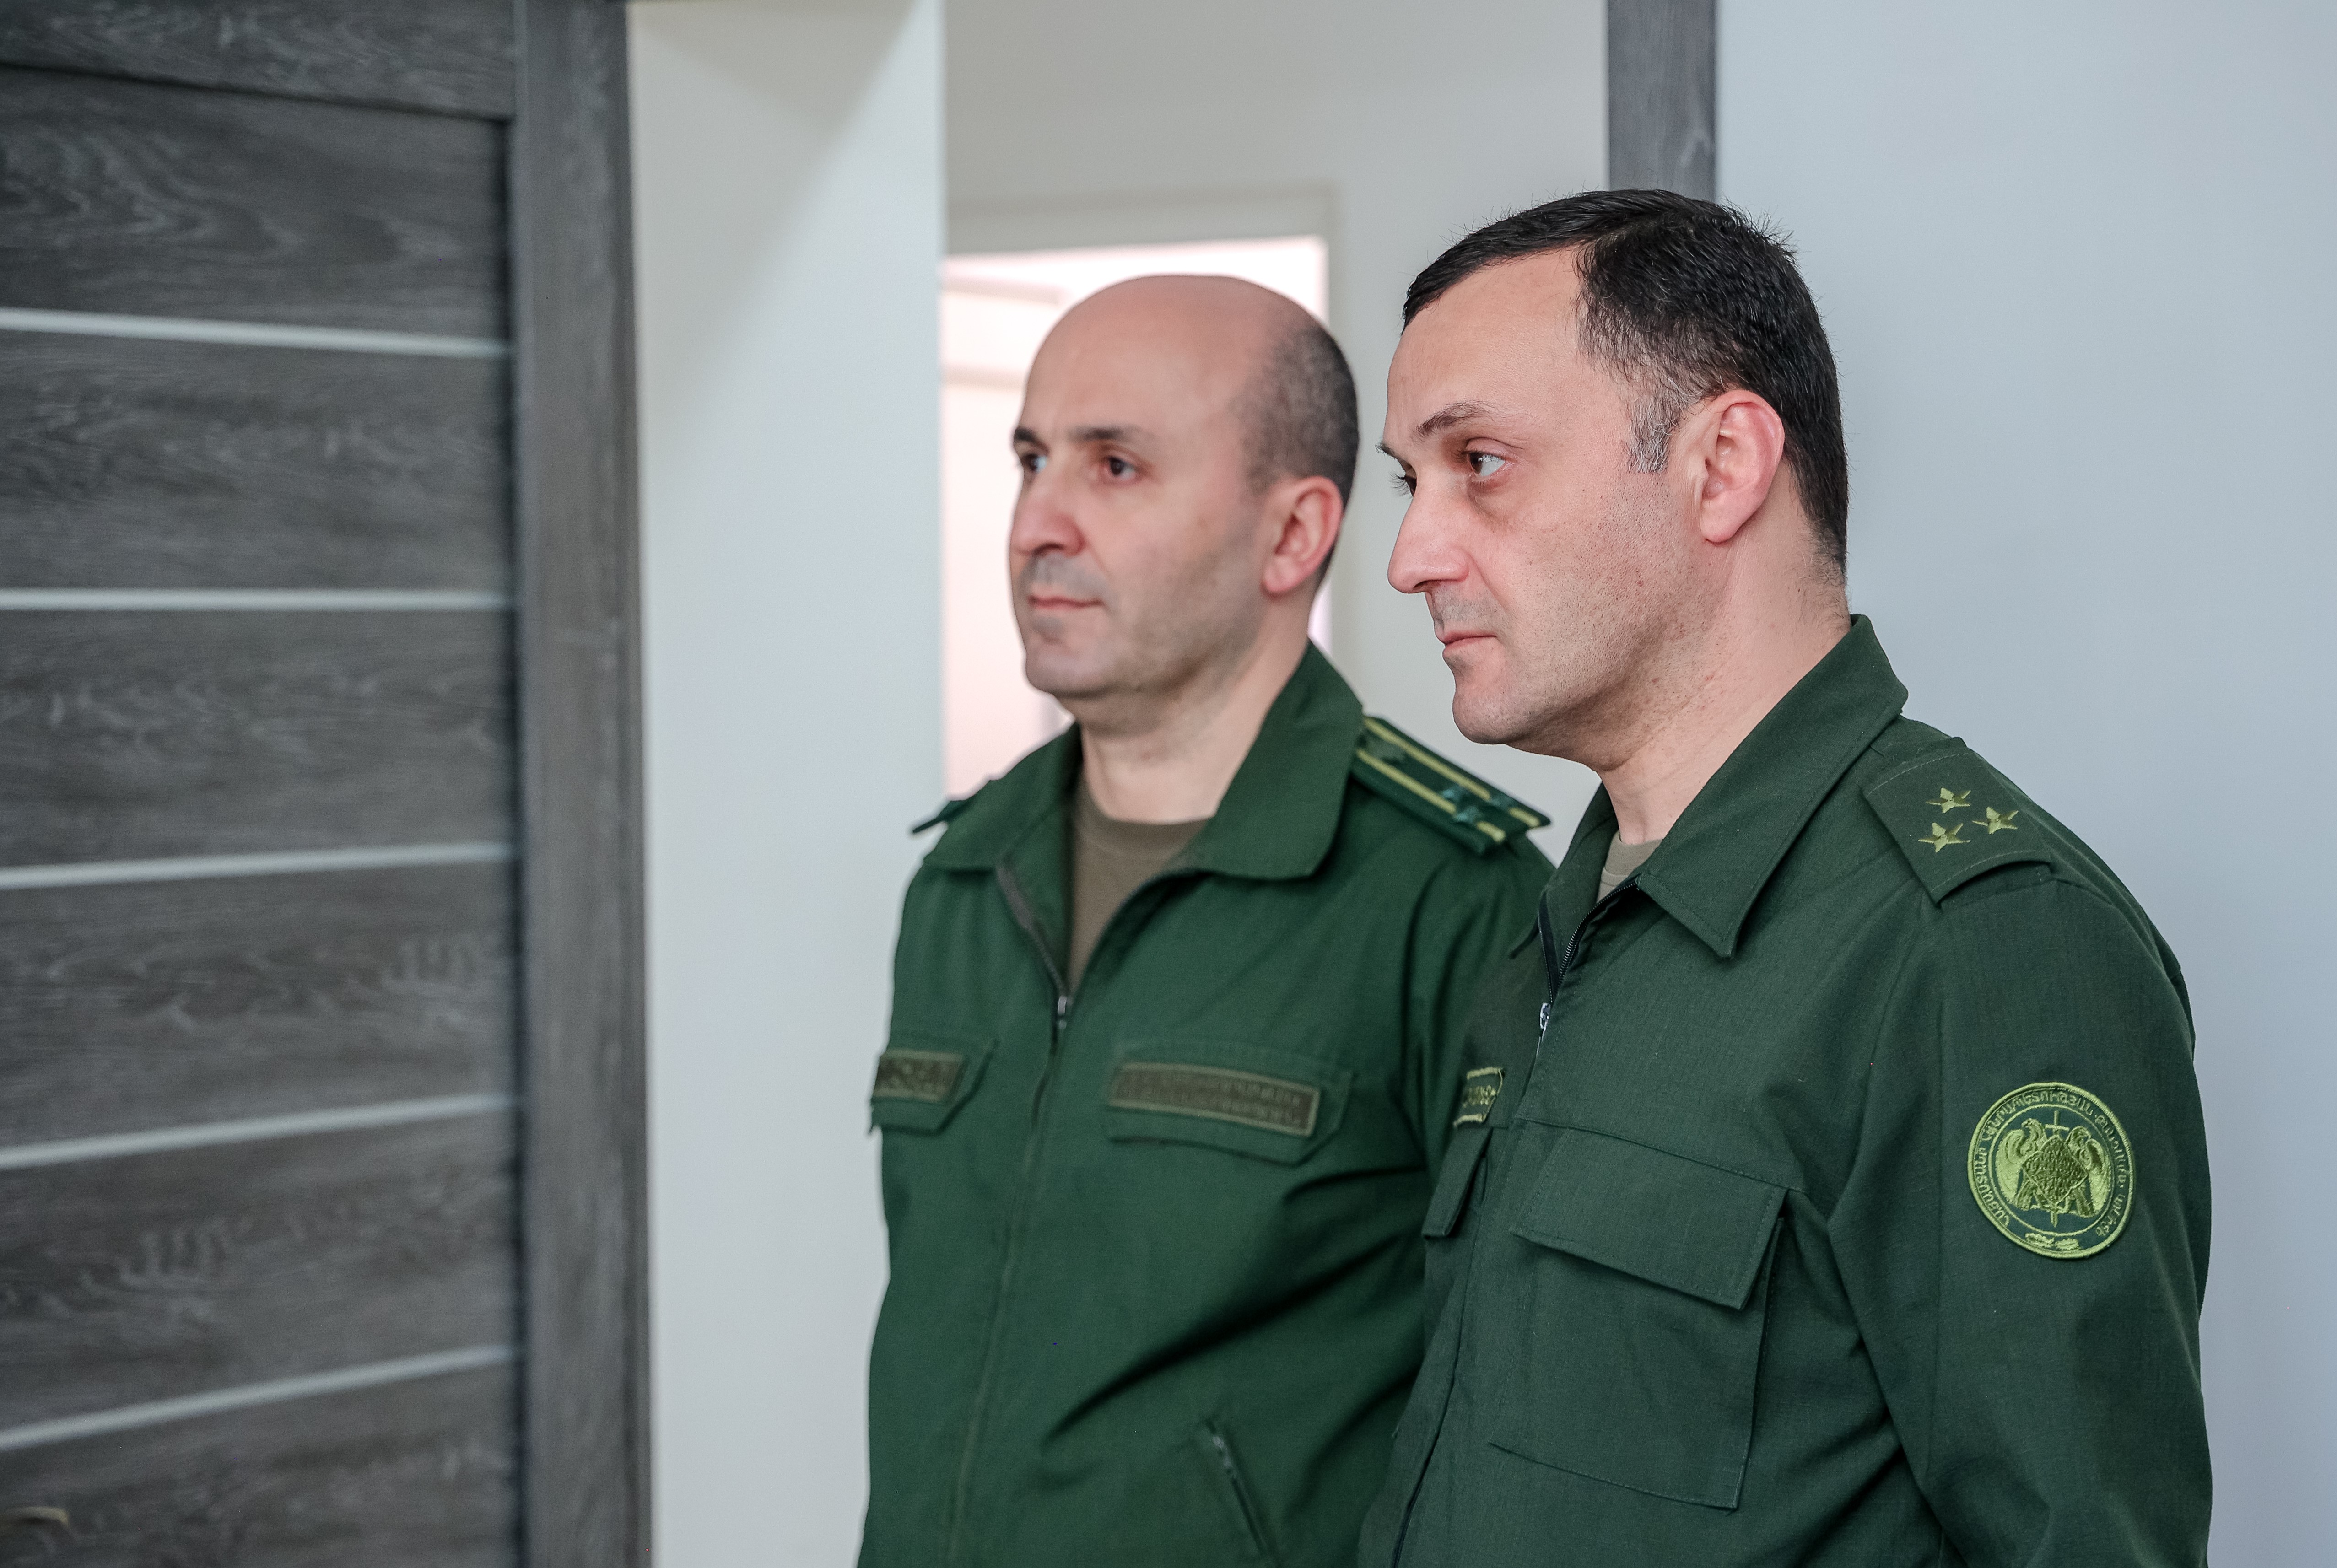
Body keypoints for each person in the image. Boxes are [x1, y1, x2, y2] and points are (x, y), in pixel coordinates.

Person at [1360, 191, 2211, 1566]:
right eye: (1415, 483)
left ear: (1722, 466)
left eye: (1483, 463)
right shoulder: (1566, 927)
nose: (1413, 556)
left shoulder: (1975, 943)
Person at [860, 275, 1553, 1568]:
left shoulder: (1448, 898)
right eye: (1031, 461)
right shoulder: (962, 877)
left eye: (1115, 466)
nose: (1036, 524)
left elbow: (1529, 1413)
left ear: (1291, 535)